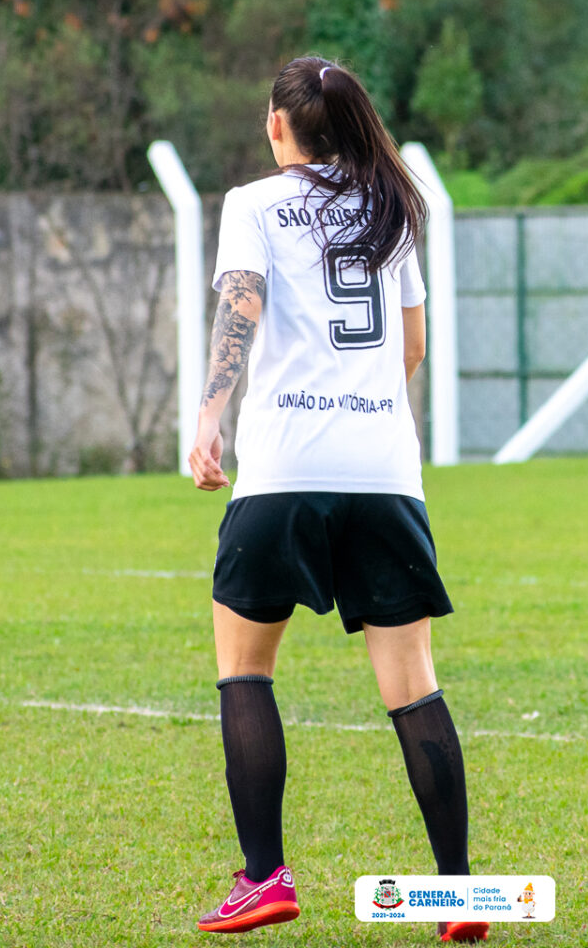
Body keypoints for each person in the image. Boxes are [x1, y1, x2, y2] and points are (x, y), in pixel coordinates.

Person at [190, 56, 486, 943]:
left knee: (245, 669)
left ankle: (265, 877)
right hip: (384, 472)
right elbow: (413, 348)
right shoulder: (393, 207)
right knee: (413, 686)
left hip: (284, 468)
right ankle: (459, 894)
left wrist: (209, 417)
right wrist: (364, 410)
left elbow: (240, 306)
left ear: (281, 127)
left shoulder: (252, 202)